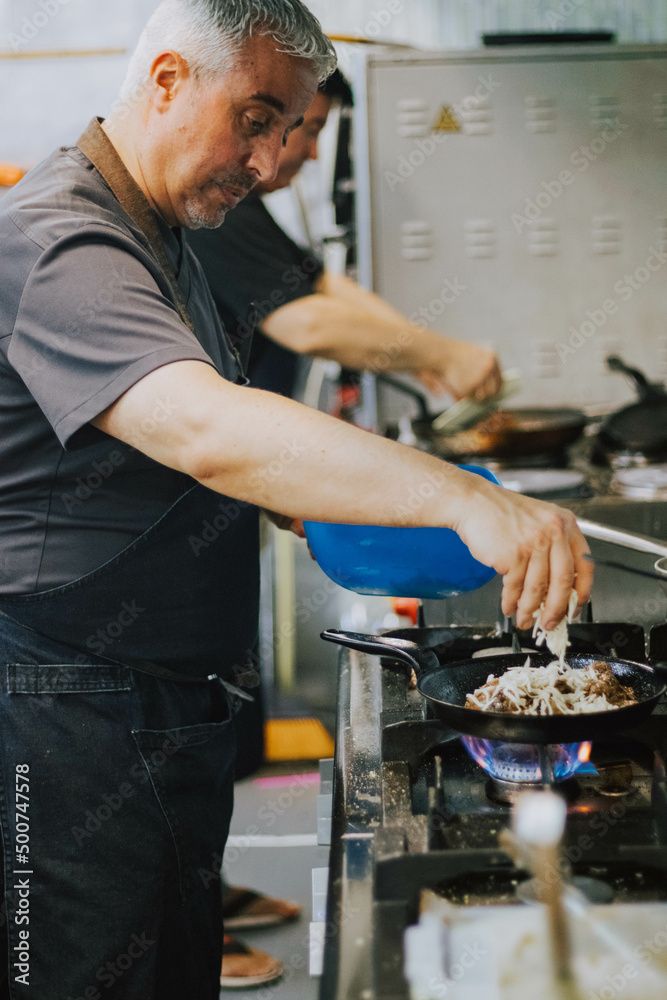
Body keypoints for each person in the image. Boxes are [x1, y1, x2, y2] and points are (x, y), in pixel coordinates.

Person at [0, 1, 592, 997]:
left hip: (152, 711)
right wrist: (460, 498)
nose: (273, 161)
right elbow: (204, 430)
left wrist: (358, 512)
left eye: (291, 131)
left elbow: (189, 461)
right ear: (168, 80)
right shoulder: (61, 240)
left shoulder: (167, 233)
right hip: (66, 721)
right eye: (257, 118)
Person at [186, 68, 507, 988]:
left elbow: (321, 282)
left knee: (221, 699)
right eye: (303, 127)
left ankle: (210, 883)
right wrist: (438, 353)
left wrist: (428, 350)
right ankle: (189, 917)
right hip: (178, 508)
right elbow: (307, 318)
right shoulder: (213, 198)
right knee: (179, 710)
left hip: (229, 500)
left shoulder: (243, 208)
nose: (309, 149)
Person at [187, 70, 503, 404]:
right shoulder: (214, 209)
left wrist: (418, 353)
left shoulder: (244, 207)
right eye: (310, 131)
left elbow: (323, 284)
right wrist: (445, 356)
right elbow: (306, 325)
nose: (314, 154)